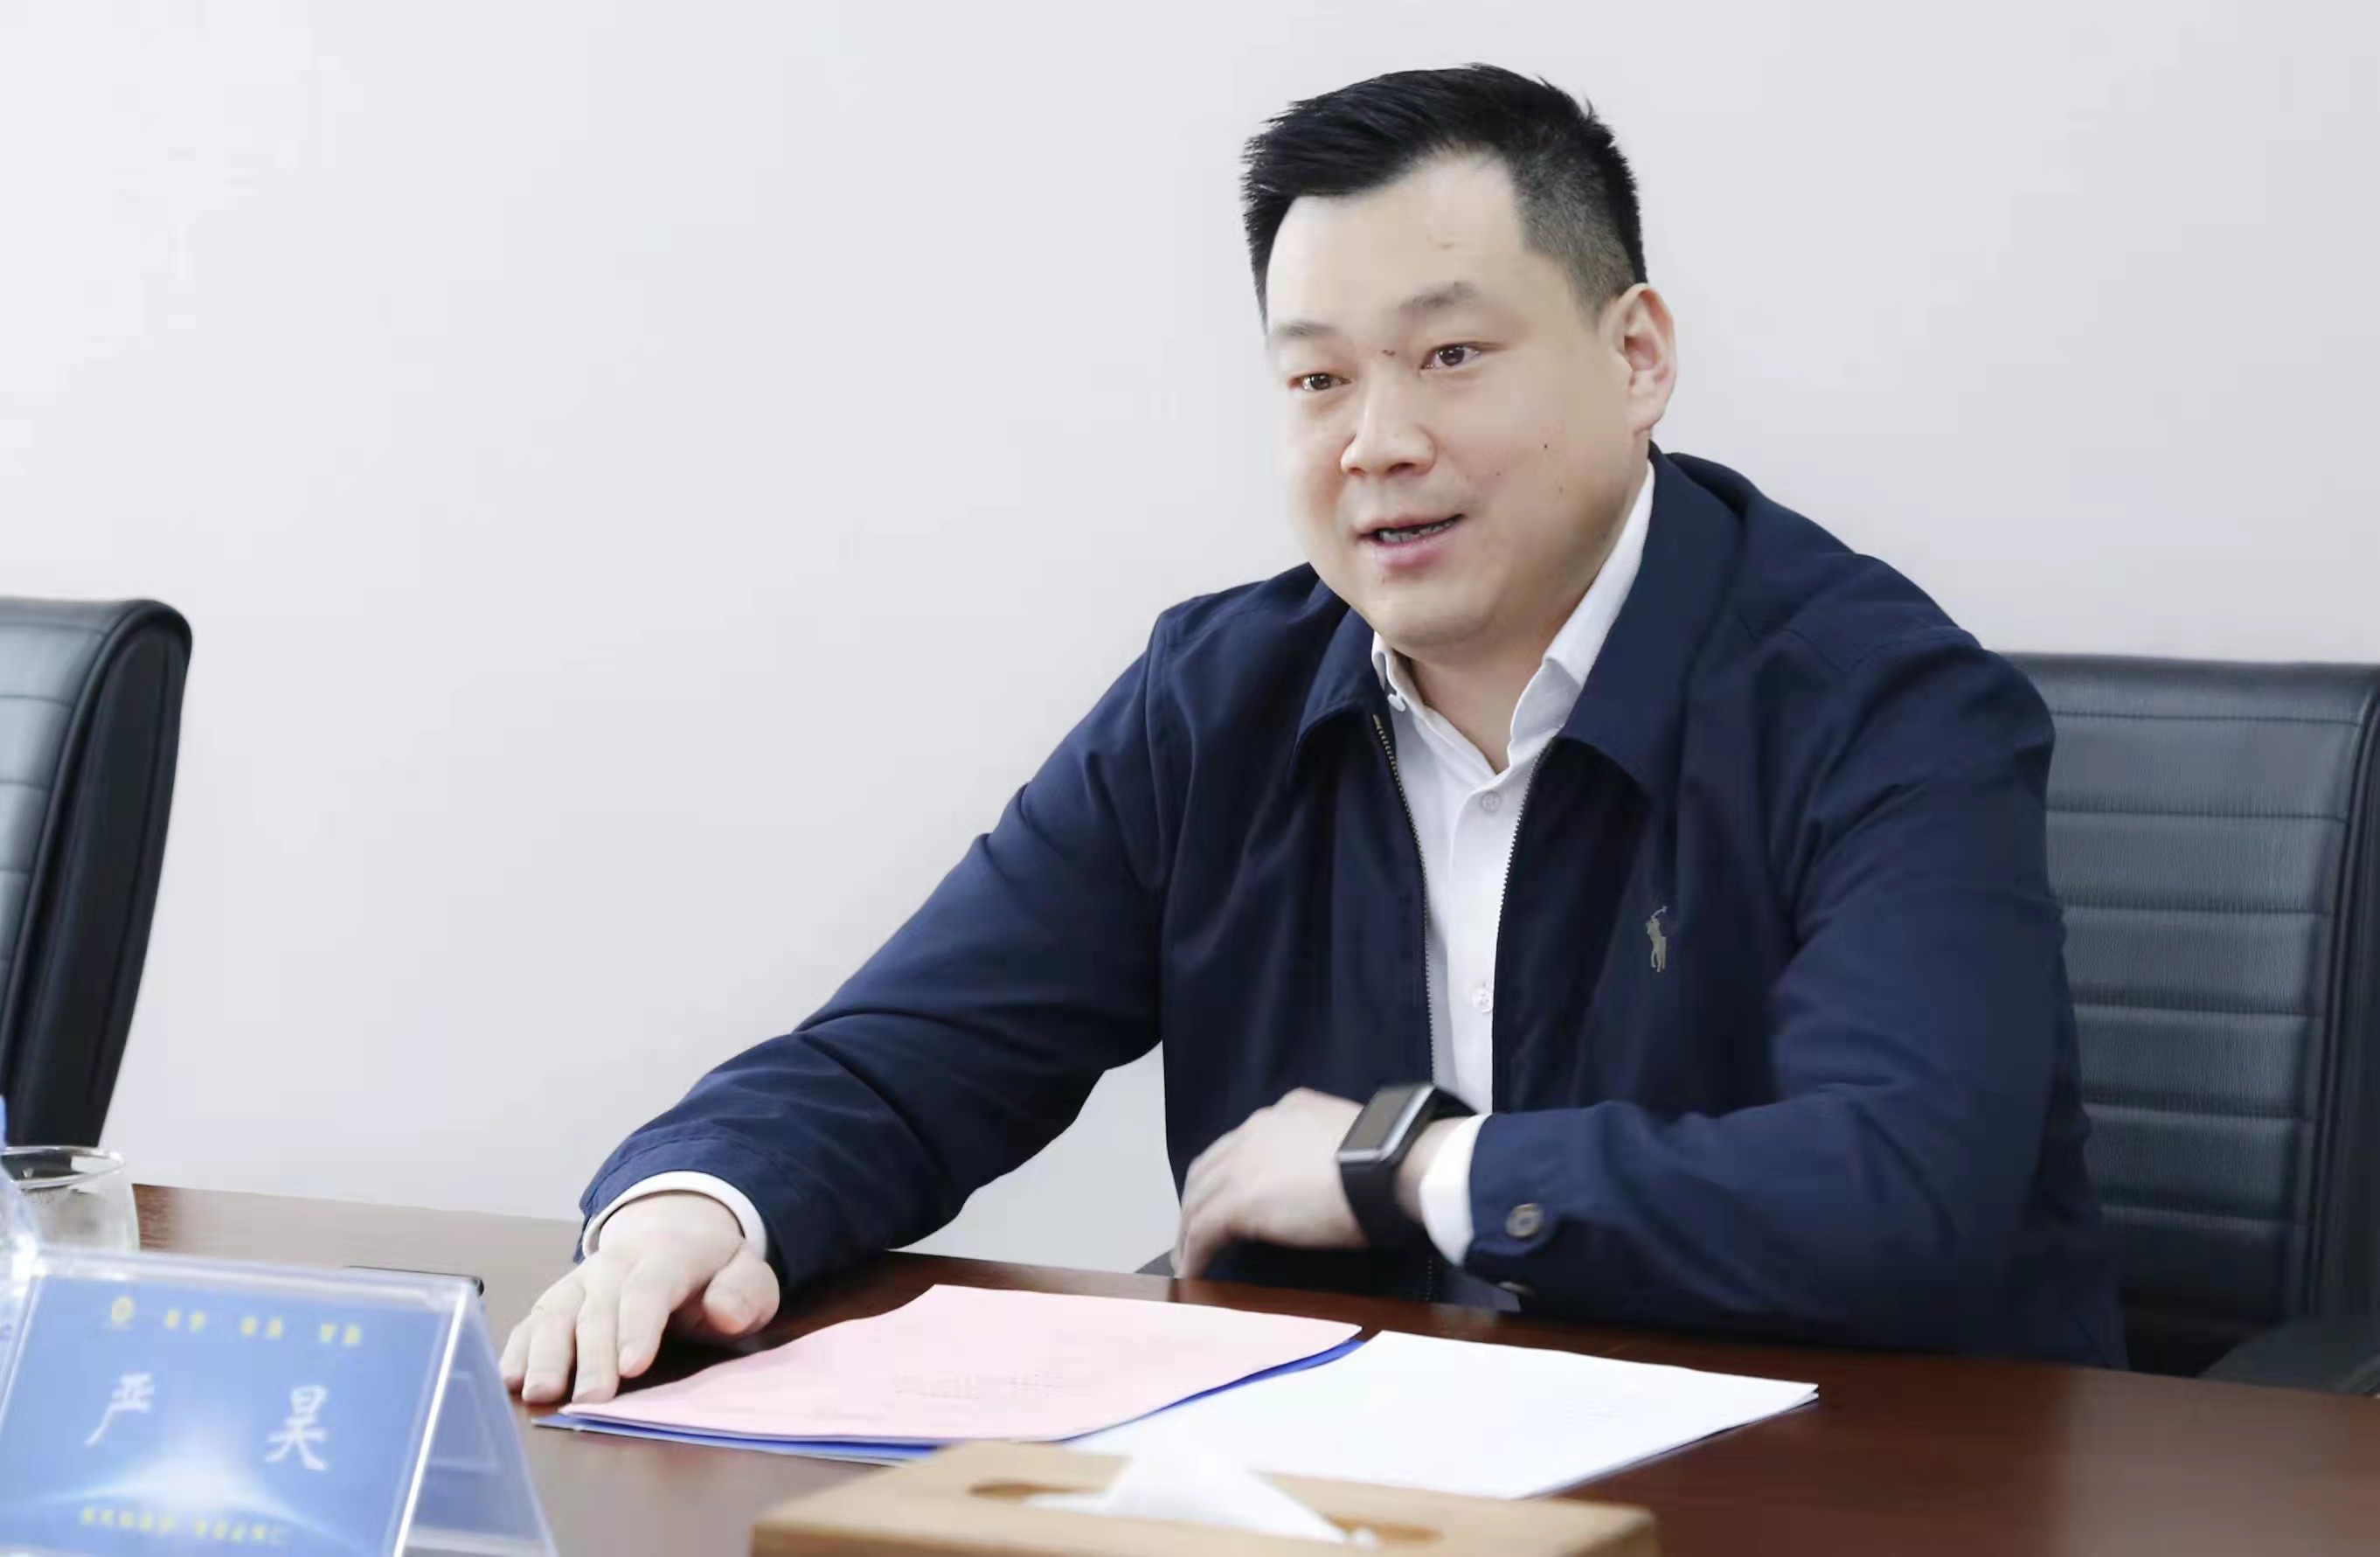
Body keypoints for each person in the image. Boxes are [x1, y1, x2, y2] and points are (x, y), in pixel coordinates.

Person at [503, 64, 2125, 1406]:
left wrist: (1409, 1167)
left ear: (1638, 356)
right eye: (1317, 381)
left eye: (1451, 356)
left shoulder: (1883, 703)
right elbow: (905, 1057)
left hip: (1847, 1486)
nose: (1378, 441)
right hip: (1355, 1479)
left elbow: (1896, 1192)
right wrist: (692, 1206)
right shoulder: (1218, 698)